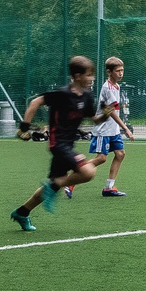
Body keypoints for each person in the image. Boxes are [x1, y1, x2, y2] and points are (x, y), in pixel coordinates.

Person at [12, 57, 103, 231]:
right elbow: (35, 102)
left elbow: (96, 120)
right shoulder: (62, 94)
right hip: (57, 144)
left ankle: (22, 212)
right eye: (89, 75)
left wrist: (106, 113)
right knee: (88, 172)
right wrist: (24, 127)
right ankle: (53, 186)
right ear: (77, 76)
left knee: (54, 183)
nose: (92, 78)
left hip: (68, 146)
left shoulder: (87, 97)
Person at [92, 55, 133, 197]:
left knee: (120, 154)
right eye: (117, 71)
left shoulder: (117, 86)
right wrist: (125, 128)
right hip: (104, 129)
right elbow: (110, 112)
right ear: (109, 72)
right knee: (101, 158)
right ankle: (74, 177)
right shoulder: (107, 88)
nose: (121, 73)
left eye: (122, 70)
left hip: (113, 129)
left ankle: (109, 187)